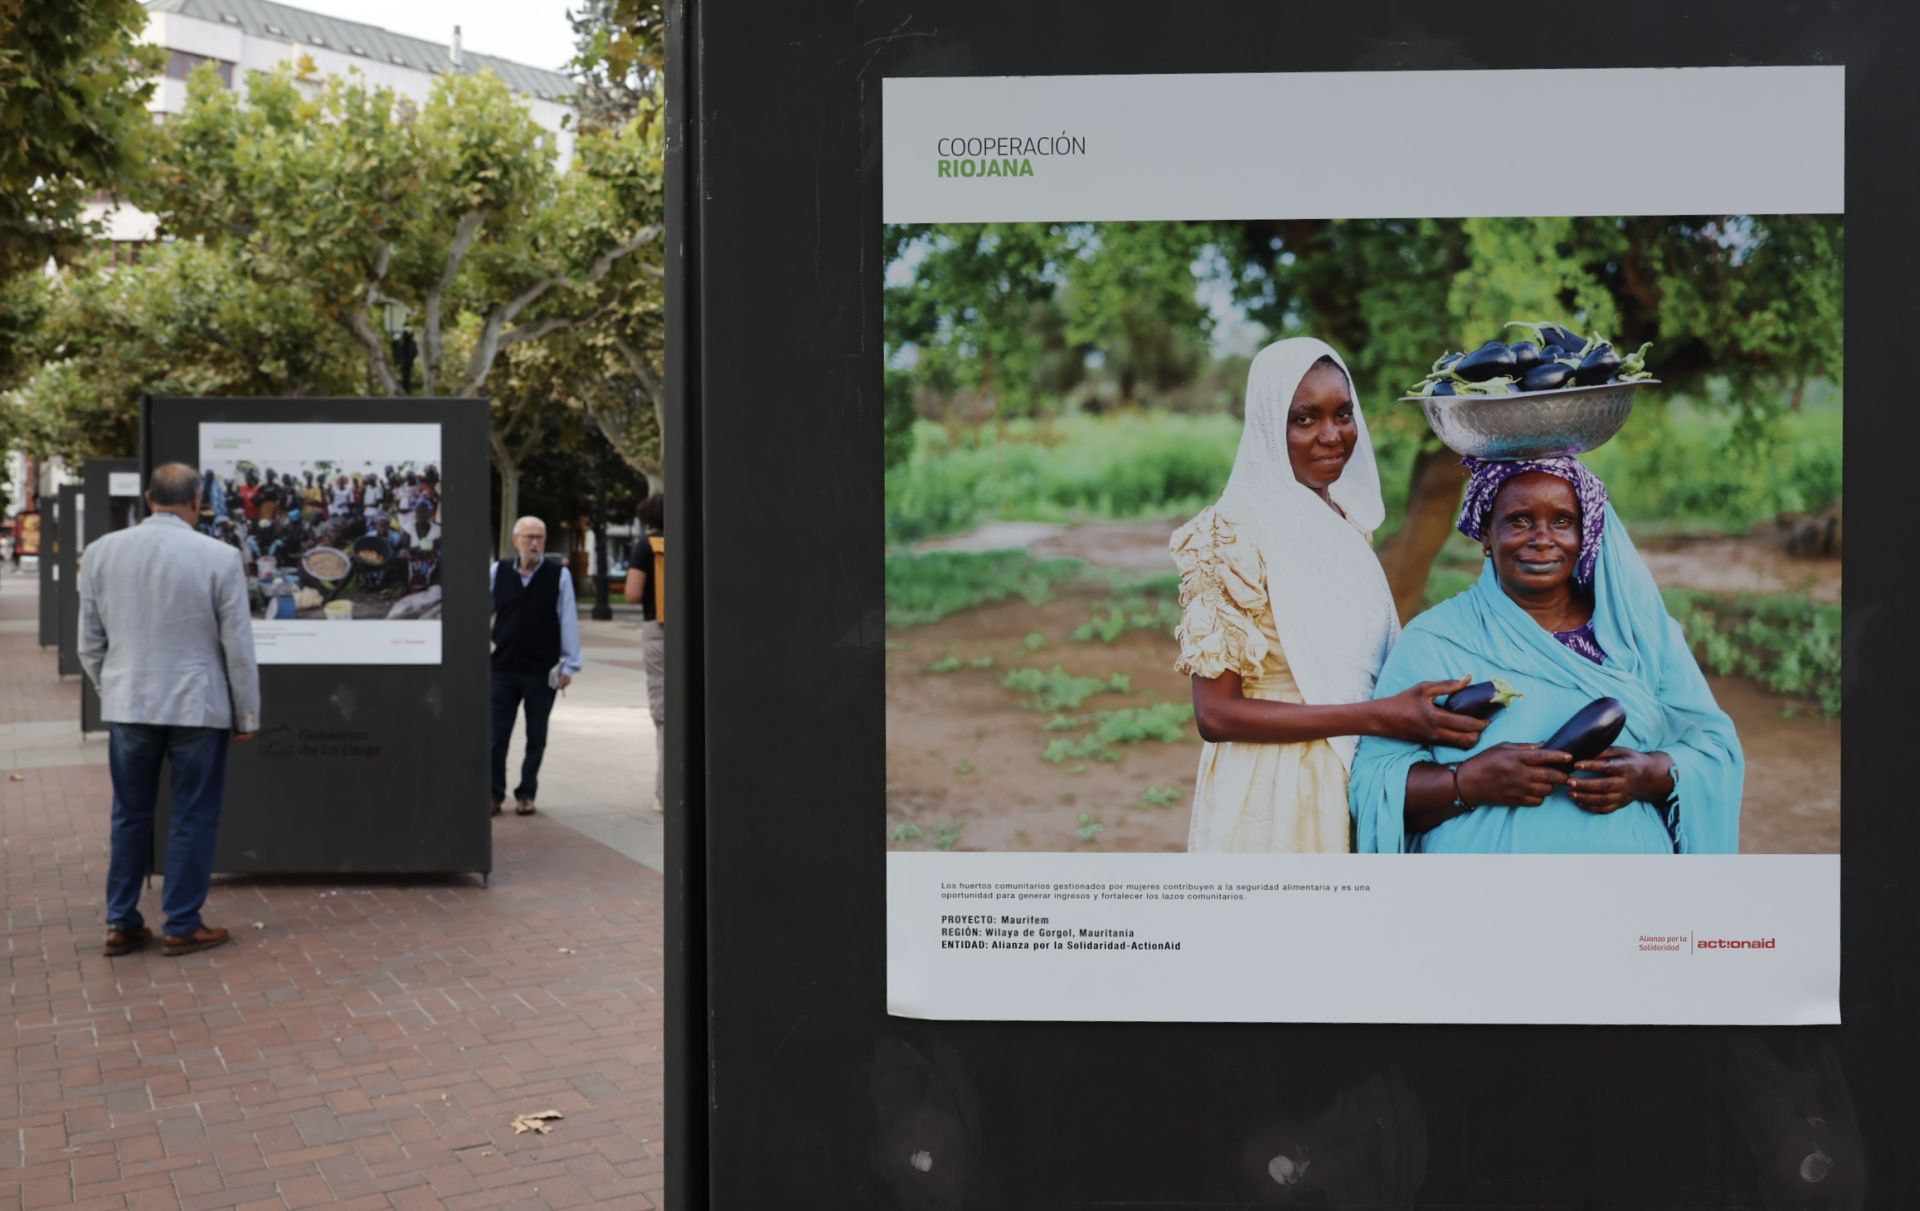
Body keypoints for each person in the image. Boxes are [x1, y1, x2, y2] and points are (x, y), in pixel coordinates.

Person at [1170, 338, 1487, 852]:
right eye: (1304, 419)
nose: (1331, 436)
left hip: (1356, 771)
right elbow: (1216, 715)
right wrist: (1376, 716)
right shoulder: (1230, 535)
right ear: (1270, 427)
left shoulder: (1343, 523)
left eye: (1343, 414)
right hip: (1273, 792)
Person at [1348, 456, 1744, 854]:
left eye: (1562, 522)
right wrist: (1465, 782)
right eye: (1519, 520)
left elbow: (1715, 751)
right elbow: (1372, 780)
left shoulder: (1642, 637)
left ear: (1585, 534)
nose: (1542, 538)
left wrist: (1651, 773)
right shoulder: (1435, 639)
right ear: (1487, 534)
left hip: (1628, 893)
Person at [78, 463, 260, 958]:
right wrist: (246, 713)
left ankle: (121, 921)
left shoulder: (100, 552)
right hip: (197, 705)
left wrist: (110, 687)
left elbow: (89, 643)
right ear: (198, 500)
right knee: (193, 814)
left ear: (147, 497)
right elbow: (237, 647)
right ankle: (182, 923)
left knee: (129, 814)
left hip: (130, 702)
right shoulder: (219, 557)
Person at [489, 516, 583, 816]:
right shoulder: (497, 571)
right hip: (501, 668)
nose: (534, 543)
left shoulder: (559, 575)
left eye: (540, 537)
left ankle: (526, 793)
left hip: (541, 670)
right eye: (528, 537)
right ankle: (493, 794)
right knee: (495, 736)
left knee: (536, 736)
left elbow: (568, 619)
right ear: (515, 540)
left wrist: (569, 665)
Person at [625, 494, 666, 813]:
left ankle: (665, 792)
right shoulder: (696, 537)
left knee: (664, 714)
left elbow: (632, 594)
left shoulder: (646, 545)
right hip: (695, 632)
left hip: (659, 631)